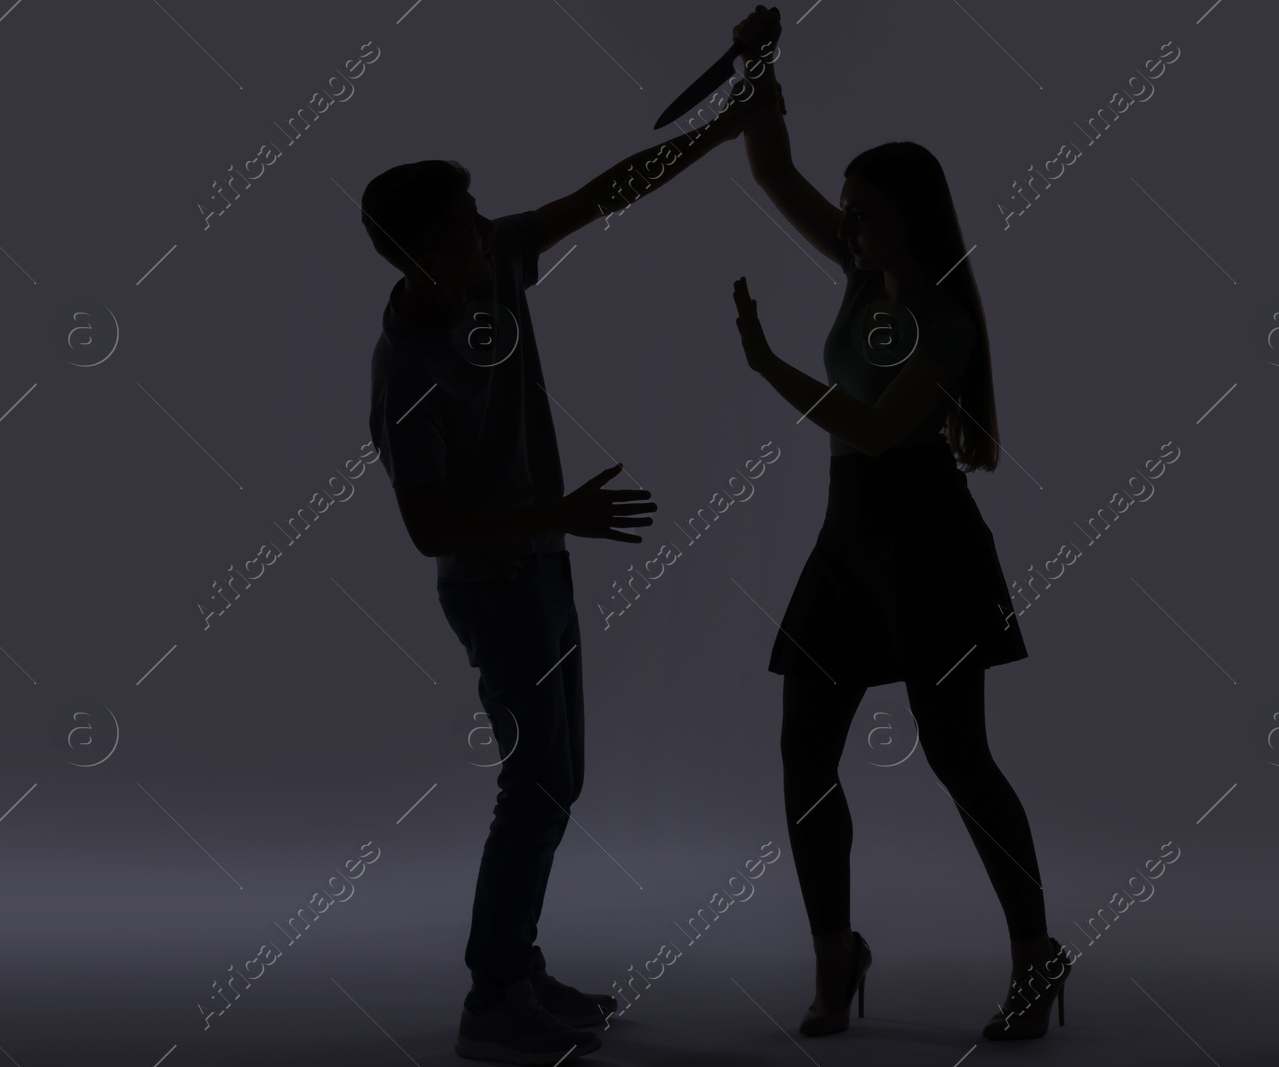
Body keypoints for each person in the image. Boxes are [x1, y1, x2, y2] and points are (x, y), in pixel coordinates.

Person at [357, 29, 782, 1065]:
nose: (485, 227)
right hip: (493, 588)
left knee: (558, 779)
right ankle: (491, 996)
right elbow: (426, 530)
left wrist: (726, 126)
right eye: (462, 223)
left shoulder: (491, 259)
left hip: (541, 566)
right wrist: (558, 516)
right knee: (534, 782)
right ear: (420, 253)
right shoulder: (405, 366)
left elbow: (605, 190)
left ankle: (517, 964)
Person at [727, 5, 1072, 1043]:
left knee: (958, 756)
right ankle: (837, 956)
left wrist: (767, 365)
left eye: (865, 214)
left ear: (911, 220)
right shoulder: (862, 275)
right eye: (849, 213)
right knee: (802, 759)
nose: (850, 227)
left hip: (927, 548)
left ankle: (1034, 954)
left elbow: (878, 431)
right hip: (847, 547)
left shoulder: (946, 323)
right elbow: (770, 168)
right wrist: (755, 67)